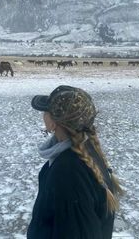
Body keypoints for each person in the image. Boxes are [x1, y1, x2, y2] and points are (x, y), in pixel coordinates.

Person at [27, 85, 123, 239]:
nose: (43, 115)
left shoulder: (68, 173)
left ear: (53, 123)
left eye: (46, 111)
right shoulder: (85, 150)